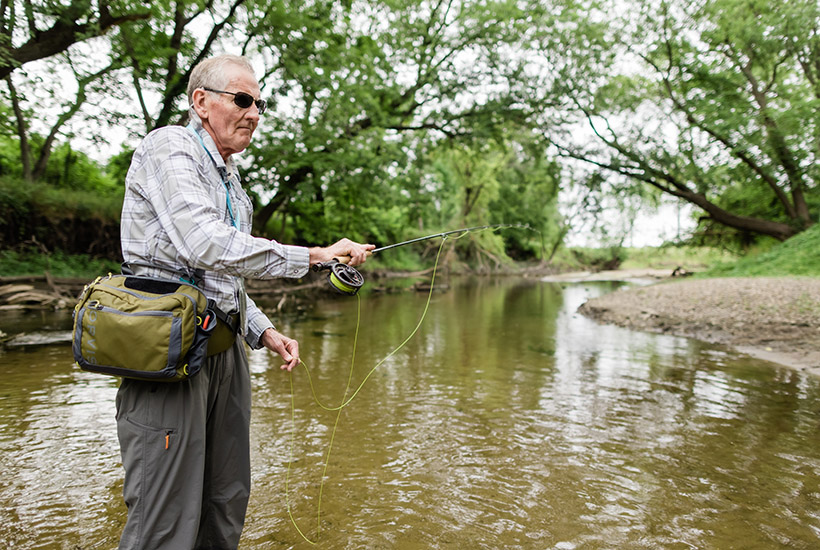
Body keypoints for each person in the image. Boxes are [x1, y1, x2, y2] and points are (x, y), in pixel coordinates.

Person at [116, 54, 374, 550]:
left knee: (226, 498)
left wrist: (263, 331)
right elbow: (202, 242)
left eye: (259, 103)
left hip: (225, 348)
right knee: (164, 517)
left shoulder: (233, 181)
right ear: (201, 102)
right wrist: (317, 255)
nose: (254, 112)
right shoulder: (169, 147)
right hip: (167, 351)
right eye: (242, 100)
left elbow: (221, 274)